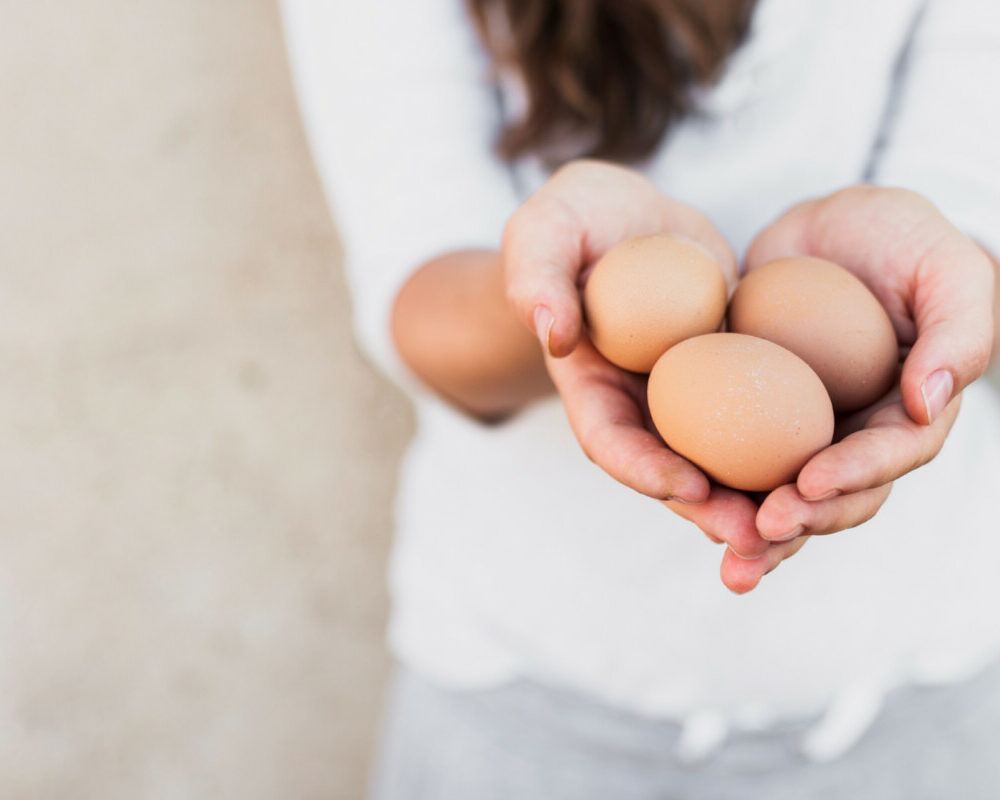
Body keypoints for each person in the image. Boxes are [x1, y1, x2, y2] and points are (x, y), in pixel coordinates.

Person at [281, 0, 1000, 796]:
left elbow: (970, 207)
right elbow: (417, 291)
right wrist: (571, 291)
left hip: (916, 680)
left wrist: (947, 277)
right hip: (532, 699)